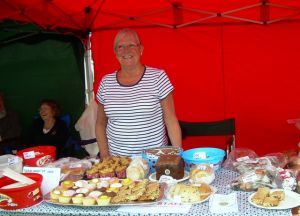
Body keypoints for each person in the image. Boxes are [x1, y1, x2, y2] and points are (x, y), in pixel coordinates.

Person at [95, 28, 182, 159]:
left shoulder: (158, 77)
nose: (126, 51)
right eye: (120, 46)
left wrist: (177, 155)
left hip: (153, 162)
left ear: (141, 48)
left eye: (131, 45)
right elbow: (100, 123)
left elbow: (170, 120)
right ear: (115, 52)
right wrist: (104, 154)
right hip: (119, 163)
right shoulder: (106, 82)